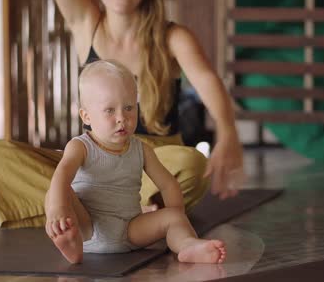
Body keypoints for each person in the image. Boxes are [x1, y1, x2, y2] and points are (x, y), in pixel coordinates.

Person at [0, 0, 244, 230]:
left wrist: (228, 134)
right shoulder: (87, 25)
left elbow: (208, 81)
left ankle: (77, 211)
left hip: (152, 163)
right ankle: (108, 213)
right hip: (92, 164)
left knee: (192, 164)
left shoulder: (173, 37)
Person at [46, 59, 226, 264]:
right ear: (86, 116)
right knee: (58, 191)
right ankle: (71, 241)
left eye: (129, 107)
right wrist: (57, 210)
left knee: (174, 219)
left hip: (131, 229)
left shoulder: (141, 149)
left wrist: (176, 216)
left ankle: (187, 244)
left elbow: (168, 184)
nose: (122, 117)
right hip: (88, 228)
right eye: (110, 110)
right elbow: (61, 176)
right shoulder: (80, 147)